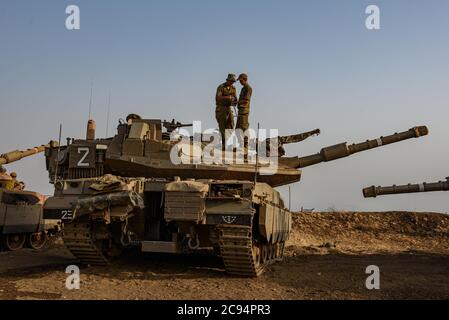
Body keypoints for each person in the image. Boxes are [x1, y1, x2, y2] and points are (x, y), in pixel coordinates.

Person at [215, 74, 237, 148]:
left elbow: (235, 99)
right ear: (227, 80)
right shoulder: (221, 87)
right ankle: (223, 142)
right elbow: (218, 98)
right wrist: (228, 97)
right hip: (221, 108)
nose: (232, 83)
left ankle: (224, 139)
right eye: (231, 81)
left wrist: (234, 100)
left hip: (228, 108)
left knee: (231, 125)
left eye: (233, 82)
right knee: (222, 126)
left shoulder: (233, 88)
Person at [236, 73, 253, 152]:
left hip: (244, 111)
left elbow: (246, 101)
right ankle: (241, 145)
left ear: (245, 80)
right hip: (240, 111)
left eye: (241, 80)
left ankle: (246, 146)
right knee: (238, 129)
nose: (240, 82)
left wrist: (237, 102)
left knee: (244, 128)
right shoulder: (243, 88)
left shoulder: (248, 88)